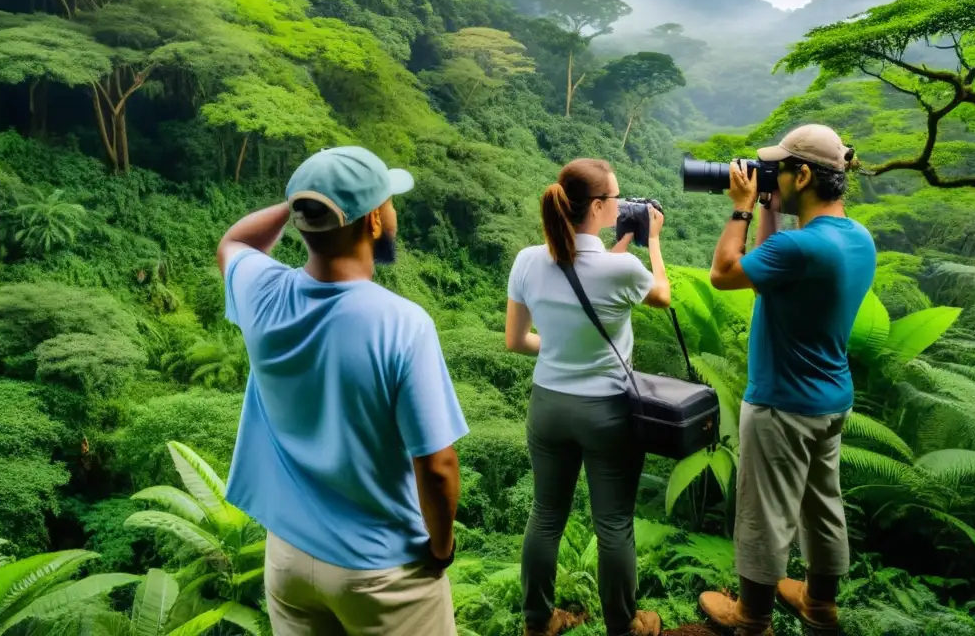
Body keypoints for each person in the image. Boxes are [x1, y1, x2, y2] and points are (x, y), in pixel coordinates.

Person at [216, 145, 470, 636]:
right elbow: (437, 468)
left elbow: (233, 242)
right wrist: (441, 548)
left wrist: (299, 206)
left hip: (288, 558)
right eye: (389, 202)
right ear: (374, 221)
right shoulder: (403, 324)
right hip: (379, 571)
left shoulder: (262, 293)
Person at [699, 124, 876, 636]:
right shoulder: (855, 238)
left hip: (781, 405)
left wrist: (742, 206)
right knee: (823, 505)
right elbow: (770, 274)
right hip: (830, 401)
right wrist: (770, 209)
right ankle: (820, 604)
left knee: (764, 513)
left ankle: (751, 617)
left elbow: (726, 273)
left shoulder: (801, 249)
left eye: (779, 167)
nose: (769, 174)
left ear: (803, 174)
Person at [505, 158, 672, 636]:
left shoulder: (527, 260)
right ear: (598, 206)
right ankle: (624, 626)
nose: (623, 205)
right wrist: (653, 239)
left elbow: (516, 341)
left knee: (545, 516)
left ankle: (537, 621)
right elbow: (660, 293)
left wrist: (560, 347)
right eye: (617, 199)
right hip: (607, 413)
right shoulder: (623, 270)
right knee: (613, 524)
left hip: (549, 406)